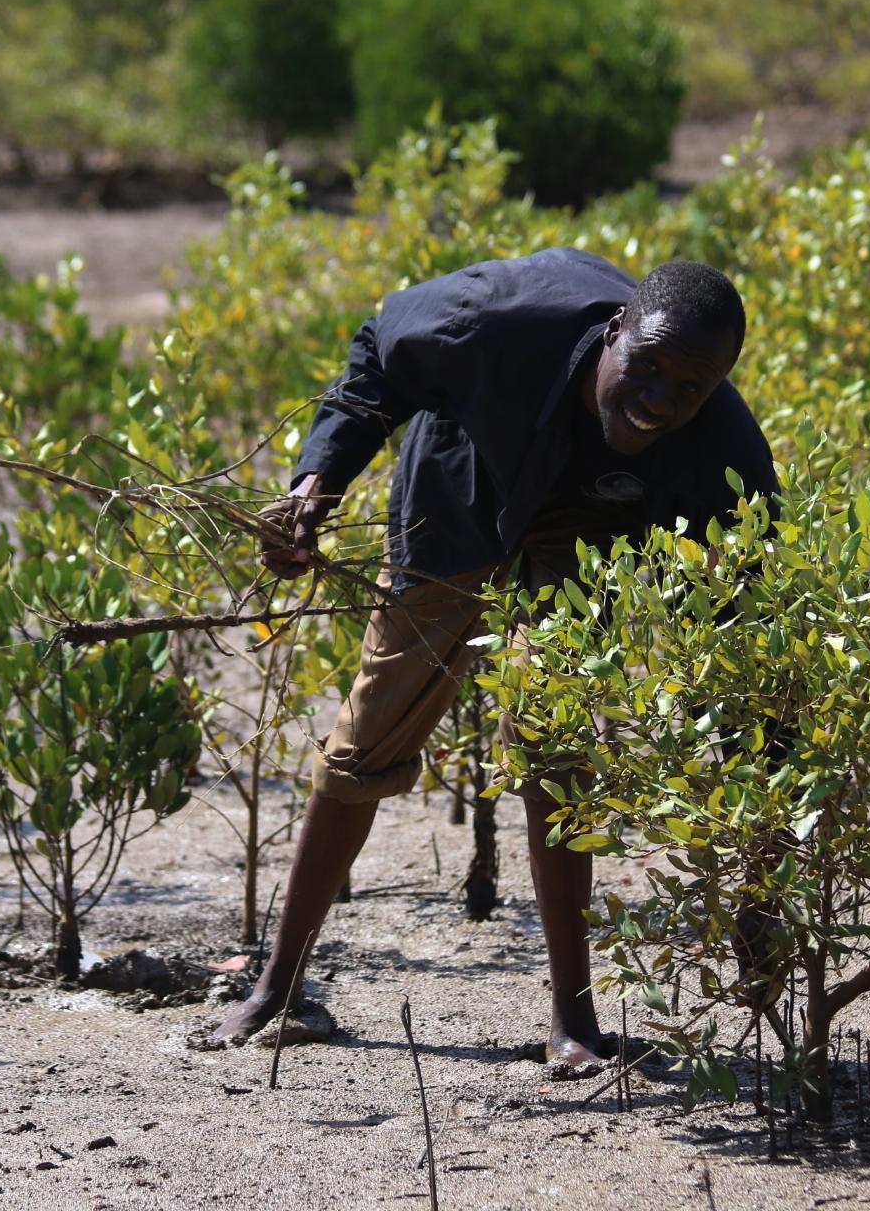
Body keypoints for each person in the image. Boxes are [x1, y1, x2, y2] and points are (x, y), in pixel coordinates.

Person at [204, 248, 776, 1069]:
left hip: (590, 531)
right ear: (615, 332)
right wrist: (314, 485)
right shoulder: (494, 323)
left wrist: (764, 878)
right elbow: (378, 354)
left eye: (689, 388)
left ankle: (572, 1025)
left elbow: (747, 645)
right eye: (645, 369)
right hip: (463, 490)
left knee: (558, 751)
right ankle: (275, 986)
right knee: (371, 735)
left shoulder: (723, 453)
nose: (658, 400)